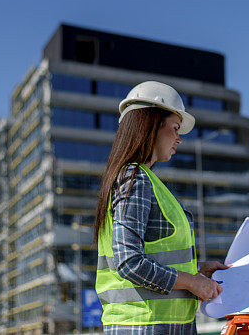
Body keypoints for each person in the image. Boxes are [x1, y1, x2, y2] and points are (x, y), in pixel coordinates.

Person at [94, 80, 229, 334]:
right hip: (145, 326)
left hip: (158, 325)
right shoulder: (134, 179)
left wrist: (197, 274)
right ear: (151, 124)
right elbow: (129, 262)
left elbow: (151, 257)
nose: (179, 139)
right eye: (175, 128)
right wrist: (191, 282)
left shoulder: (143, 180)